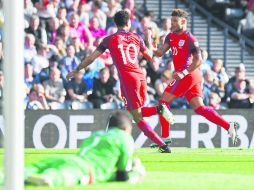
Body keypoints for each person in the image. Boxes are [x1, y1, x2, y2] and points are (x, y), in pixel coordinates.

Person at [66, 10, 174, 153]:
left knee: (136, 116)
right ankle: (158, 111)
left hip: (128, 79)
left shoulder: (109, 39)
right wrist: (148, 39)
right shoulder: (136, 37)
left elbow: (92, 58)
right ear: (128, 23)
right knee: (134, 113)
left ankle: (162, 145)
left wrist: (76, 70)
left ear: (116, 24)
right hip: (140, 77)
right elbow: (149, 57)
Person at [148, 9, 238, 145]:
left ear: (183, 22)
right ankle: (228, 126)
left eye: (174, 21)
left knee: (163, 103)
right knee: (200, 108)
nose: (171, 24)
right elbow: (160, 53)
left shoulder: (190, 38)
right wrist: (152, 44)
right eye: (171, 21)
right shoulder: (170, 36)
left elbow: (199, 60)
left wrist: (184, 73)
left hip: (187, 75)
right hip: (188, 76)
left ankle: (165, 139)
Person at [0, 111, 146, 187]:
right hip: (86, 169)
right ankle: (48, 177)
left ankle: (8, 176)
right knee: (64, 175)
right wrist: (136, 172)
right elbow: (122, 176)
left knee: (36, 166)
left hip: (72, 158)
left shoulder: (97, 134)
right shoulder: (125, 138)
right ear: (127, 128)